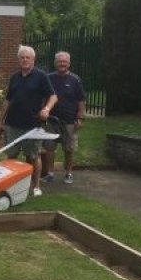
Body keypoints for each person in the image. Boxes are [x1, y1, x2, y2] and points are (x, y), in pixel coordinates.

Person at [0, 45, 57, 197]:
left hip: (32, 125)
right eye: (22, 57)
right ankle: (11, 185)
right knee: (11, 156)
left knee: (33, 157)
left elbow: (53, 96)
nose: (24, 60)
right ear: (19, 60)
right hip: (12, 124)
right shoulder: (15, 77)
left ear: (33, 60)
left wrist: (47, 109)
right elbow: (8, 100)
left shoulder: (41, 76)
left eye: (27, 57)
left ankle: (35, 186)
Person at [42, 51, 86, 185]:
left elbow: (81, 100)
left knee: (69, 149)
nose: (62, 64)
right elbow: (43, 96)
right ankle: (50, 173)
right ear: (55, 63)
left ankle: (69, 173)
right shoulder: (48, 78)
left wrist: (80, 118)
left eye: (64, 62)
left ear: (69, 63)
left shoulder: (75, 79)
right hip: (51, 120)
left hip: (69, 121)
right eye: (60, 61)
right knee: (49, 148)